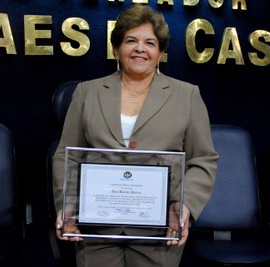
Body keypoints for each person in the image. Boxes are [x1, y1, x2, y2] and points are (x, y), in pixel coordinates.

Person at [52, 4, 218, 267]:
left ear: (161, 52)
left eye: (150, 42)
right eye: (131, 40)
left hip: (160, 229)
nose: (140, 48)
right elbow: (66, 155)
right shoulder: (87, 92)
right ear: (116, 48)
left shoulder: (187, 95)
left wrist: (183, 206)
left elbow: (203, 159)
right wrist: (67, 204)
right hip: (97, 228)